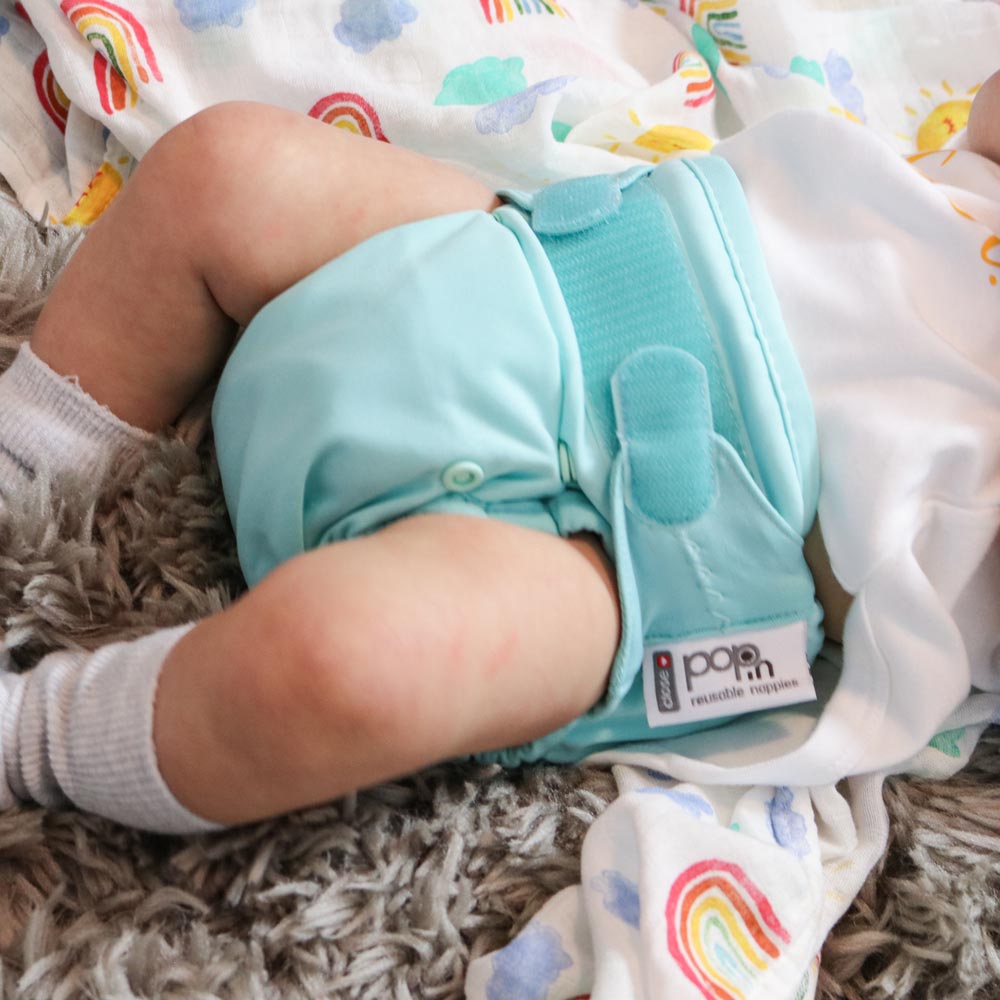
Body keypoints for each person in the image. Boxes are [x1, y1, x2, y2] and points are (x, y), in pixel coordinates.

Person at [0, 67, 997, 834]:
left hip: (622, 551)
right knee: (219, 166)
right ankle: (24, 463)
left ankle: (33, 739)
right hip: (516, 258)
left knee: (345, 665)